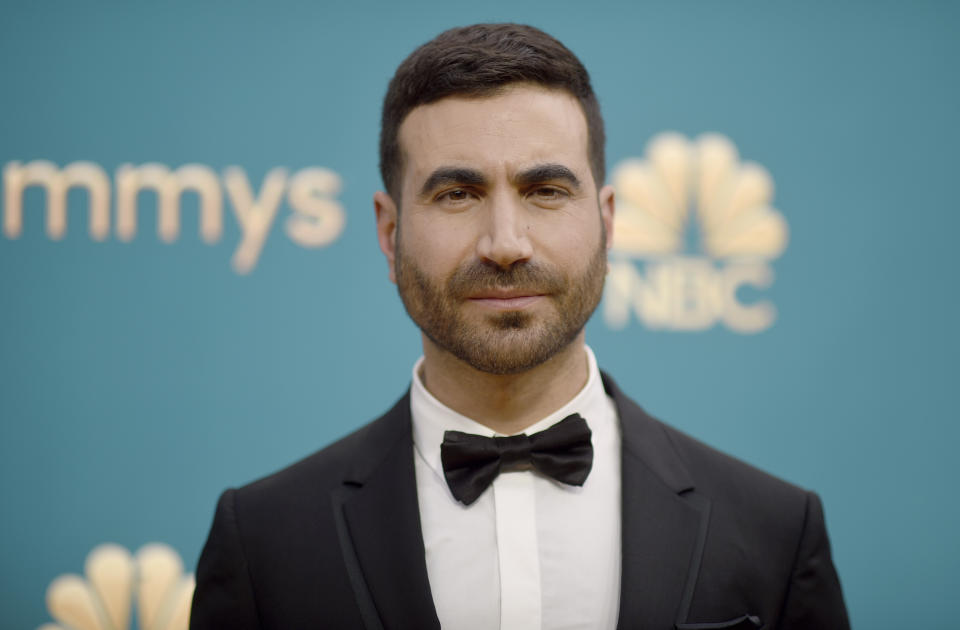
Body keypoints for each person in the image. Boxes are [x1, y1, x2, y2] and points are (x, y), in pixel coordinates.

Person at [190, 23, 849, 630]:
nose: (505, 243)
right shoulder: (263, 544)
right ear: (390, 235)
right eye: (457, 194)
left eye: (546, 191)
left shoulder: (775, 534)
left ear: (608, 222)